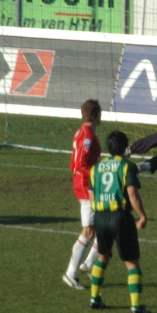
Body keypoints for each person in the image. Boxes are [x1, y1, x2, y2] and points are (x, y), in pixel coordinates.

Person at [88, 130, 150, 313]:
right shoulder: (127, 166)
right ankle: (136, 306)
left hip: (100, 216)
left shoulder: (96, 168)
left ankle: (94, 298)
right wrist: (142, 216)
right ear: (125, 147)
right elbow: (132, 194)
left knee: (102, 257)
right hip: (120, 218)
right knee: (132, 262)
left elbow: (92, 196)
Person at [63, 99, 102, 290]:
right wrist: (95, 174)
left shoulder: (84, 132)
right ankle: (71, 273)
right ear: (95, 116)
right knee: (88, 231)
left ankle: (88, 264)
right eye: (100, 114)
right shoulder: (87, 135)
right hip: (87, 187)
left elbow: (74, 163)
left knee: (99, 225)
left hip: (87, 184)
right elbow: (79, 164)